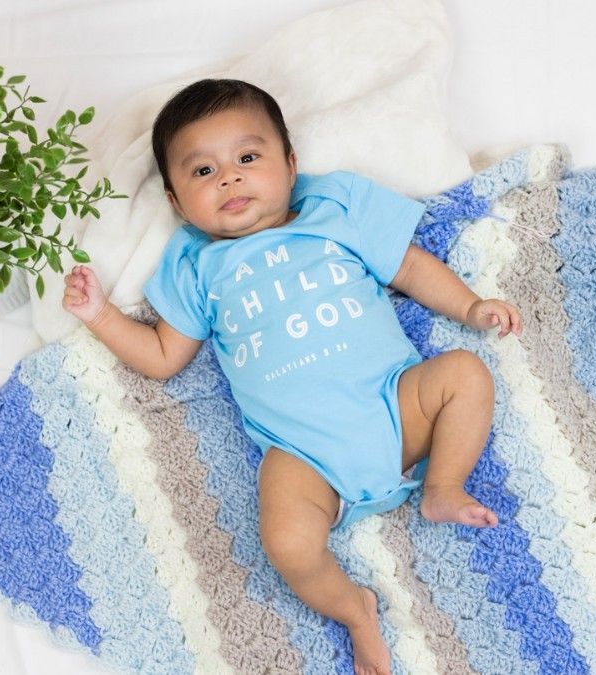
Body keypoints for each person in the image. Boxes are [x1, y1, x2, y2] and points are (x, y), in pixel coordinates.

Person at [62, 79, 521, 675]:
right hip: (305, 458)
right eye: (202, 172)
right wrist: (98, 315)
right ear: (176, 202)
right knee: (287, 544)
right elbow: (162, 356)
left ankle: (443, 488)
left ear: (291, 163)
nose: (228, 178)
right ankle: (356, 611)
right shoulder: (195, 262)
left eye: (247, 158)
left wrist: (468, 307)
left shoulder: (335, 206)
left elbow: (407, 265)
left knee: (465, 373)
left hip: (396, 406)